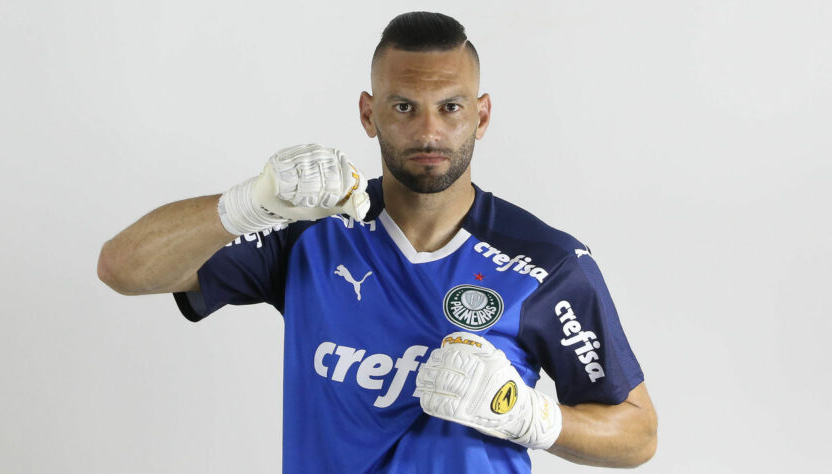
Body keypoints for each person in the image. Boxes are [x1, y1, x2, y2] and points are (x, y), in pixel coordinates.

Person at [98, 11, 657, 473]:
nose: (429, 132)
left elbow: (637, 433)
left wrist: (527, 416)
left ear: (481, 116)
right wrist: (248, 204)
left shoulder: (547, 262)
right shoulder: (310, 232)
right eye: (404, 107)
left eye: (451, 108)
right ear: (370, 114)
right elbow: (123, 268)